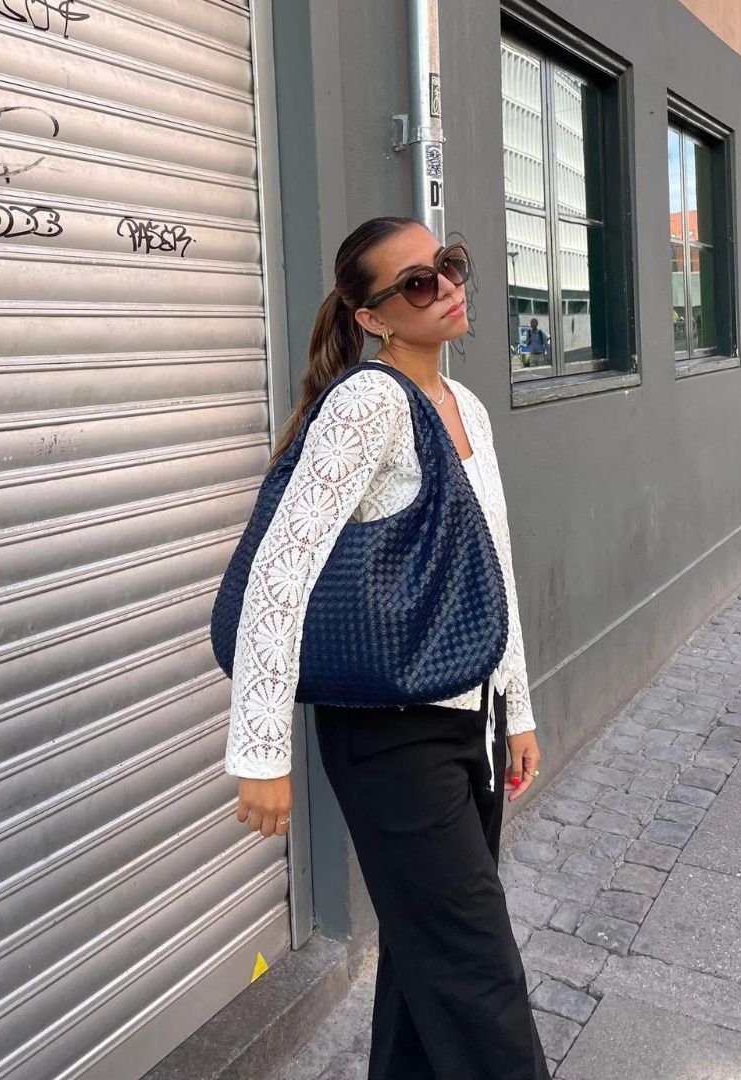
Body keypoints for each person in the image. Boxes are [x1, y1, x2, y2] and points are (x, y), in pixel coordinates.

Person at [223, 216, 549, 1080]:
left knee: (423, 960)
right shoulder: (367, 405)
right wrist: (261, 750)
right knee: (479, 979)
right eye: (417, 282)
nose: (446, 287)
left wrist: (516, 708)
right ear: (371, 316)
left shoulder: (467, 407)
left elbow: (493, 570)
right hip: (391, 737)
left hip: (469, 720)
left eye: (448, 265)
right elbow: (280, 571)